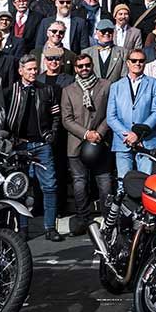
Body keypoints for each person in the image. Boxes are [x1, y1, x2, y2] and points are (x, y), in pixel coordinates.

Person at [5, 55, 64, 240]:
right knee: (20, 187)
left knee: (50, 186)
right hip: (19, 145)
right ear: (21, 70)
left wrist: (51, 134)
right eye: (29, 69)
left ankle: (49, 228)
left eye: (35, 69)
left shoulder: (46, 90)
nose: (33, 72)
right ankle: (22, 228)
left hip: (41, 145)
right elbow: (4, 117)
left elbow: (56, 115)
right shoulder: (11, 91)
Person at [61, 51, 112, 234]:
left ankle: (108, 220)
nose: (84, 69)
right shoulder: (68, 90)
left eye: (87, 65)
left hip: (101, 142)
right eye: (80, 66)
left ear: (92, 66)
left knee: (104, 183)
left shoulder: (106, 86)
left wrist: (98, 133)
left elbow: (110, 113)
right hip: (77, 142)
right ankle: (84, 218)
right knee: (80, 183)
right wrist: (86, 134)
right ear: (75, 68)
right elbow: (66, 119)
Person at [106, 49, 156, 179]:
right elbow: (111, 117)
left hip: (146, 141)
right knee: (123, 181)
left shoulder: (154, 84)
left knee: (145, 182)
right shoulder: (116, 86)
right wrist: (128, 135)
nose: (137, 63)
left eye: (141, 61)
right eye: (134, 60)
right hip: (123, 141)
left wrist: (138, 133)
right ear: (128, 63)